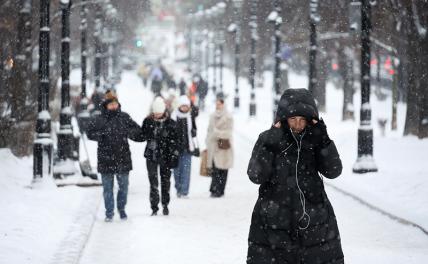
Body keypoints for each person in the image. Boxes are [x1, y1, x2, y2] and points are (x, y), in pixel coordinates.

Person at [246, 88, 344, 263]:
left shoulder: (316, 140)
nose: (298, 124)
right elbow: (255, 175)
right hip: (273, 221)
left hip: (314, 221)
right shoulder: (268, 138)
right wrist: (270, 144)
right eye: (293, 119)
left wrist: (324, 140)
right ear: (284, 119)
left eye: (302, 120)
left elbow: (333, 171)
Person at [87, 90, 143, 222]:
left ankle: (121, 208)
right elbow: (89, 133)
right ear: (106, 105)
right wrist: (101, 136)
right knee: (107, 188)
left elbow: (138, 131)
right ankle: (109, 212)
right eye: (111, 104)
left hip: (122, 157)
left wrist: (128, 132)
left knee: (123, 186)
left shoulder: (124, 117)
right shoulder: (99, 119)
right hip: (105, 158)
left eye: (115, 104)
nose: (113, 106)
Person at [141, 97, 179, 216]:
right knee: (153, 181)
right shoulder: (147, 121)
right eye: (155, 112)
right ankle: (154, 207)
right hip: (151, 155)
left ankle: (165, 204)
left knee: (165, 181)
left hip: (166, 155)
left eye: (159, 112)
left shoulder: (171, 123)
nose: (157, 114)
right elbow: (142, 135)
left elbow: (175, 140)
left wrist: (173, 152)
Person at [205, 92, 233, 197]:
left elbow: (229, 132)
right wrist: (207, 141)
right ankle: (214, 189)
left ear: (223, 104)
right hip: (213, 145)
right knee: (215, 168)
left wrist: (218, 133)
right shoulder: (212, 116)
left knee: (223, 169)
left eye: (219, 104)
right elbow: (209, 130)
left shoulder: (228, 117)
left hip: (223, 145)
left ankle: (220, 190)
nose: (218, 106)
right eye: (216, 104)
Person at [171, 95, 199, 198]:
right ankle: (178, 188)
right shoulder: (174, 116)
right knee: (177, 171)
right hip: (175, 149)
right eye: (183, 106)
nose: (185, 108)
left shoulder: (191, 116)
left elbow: (196, 111)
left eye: (186, 106)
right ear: (179, 106)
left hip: (188, 147)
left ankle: (184, 191)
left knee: (186, 171)